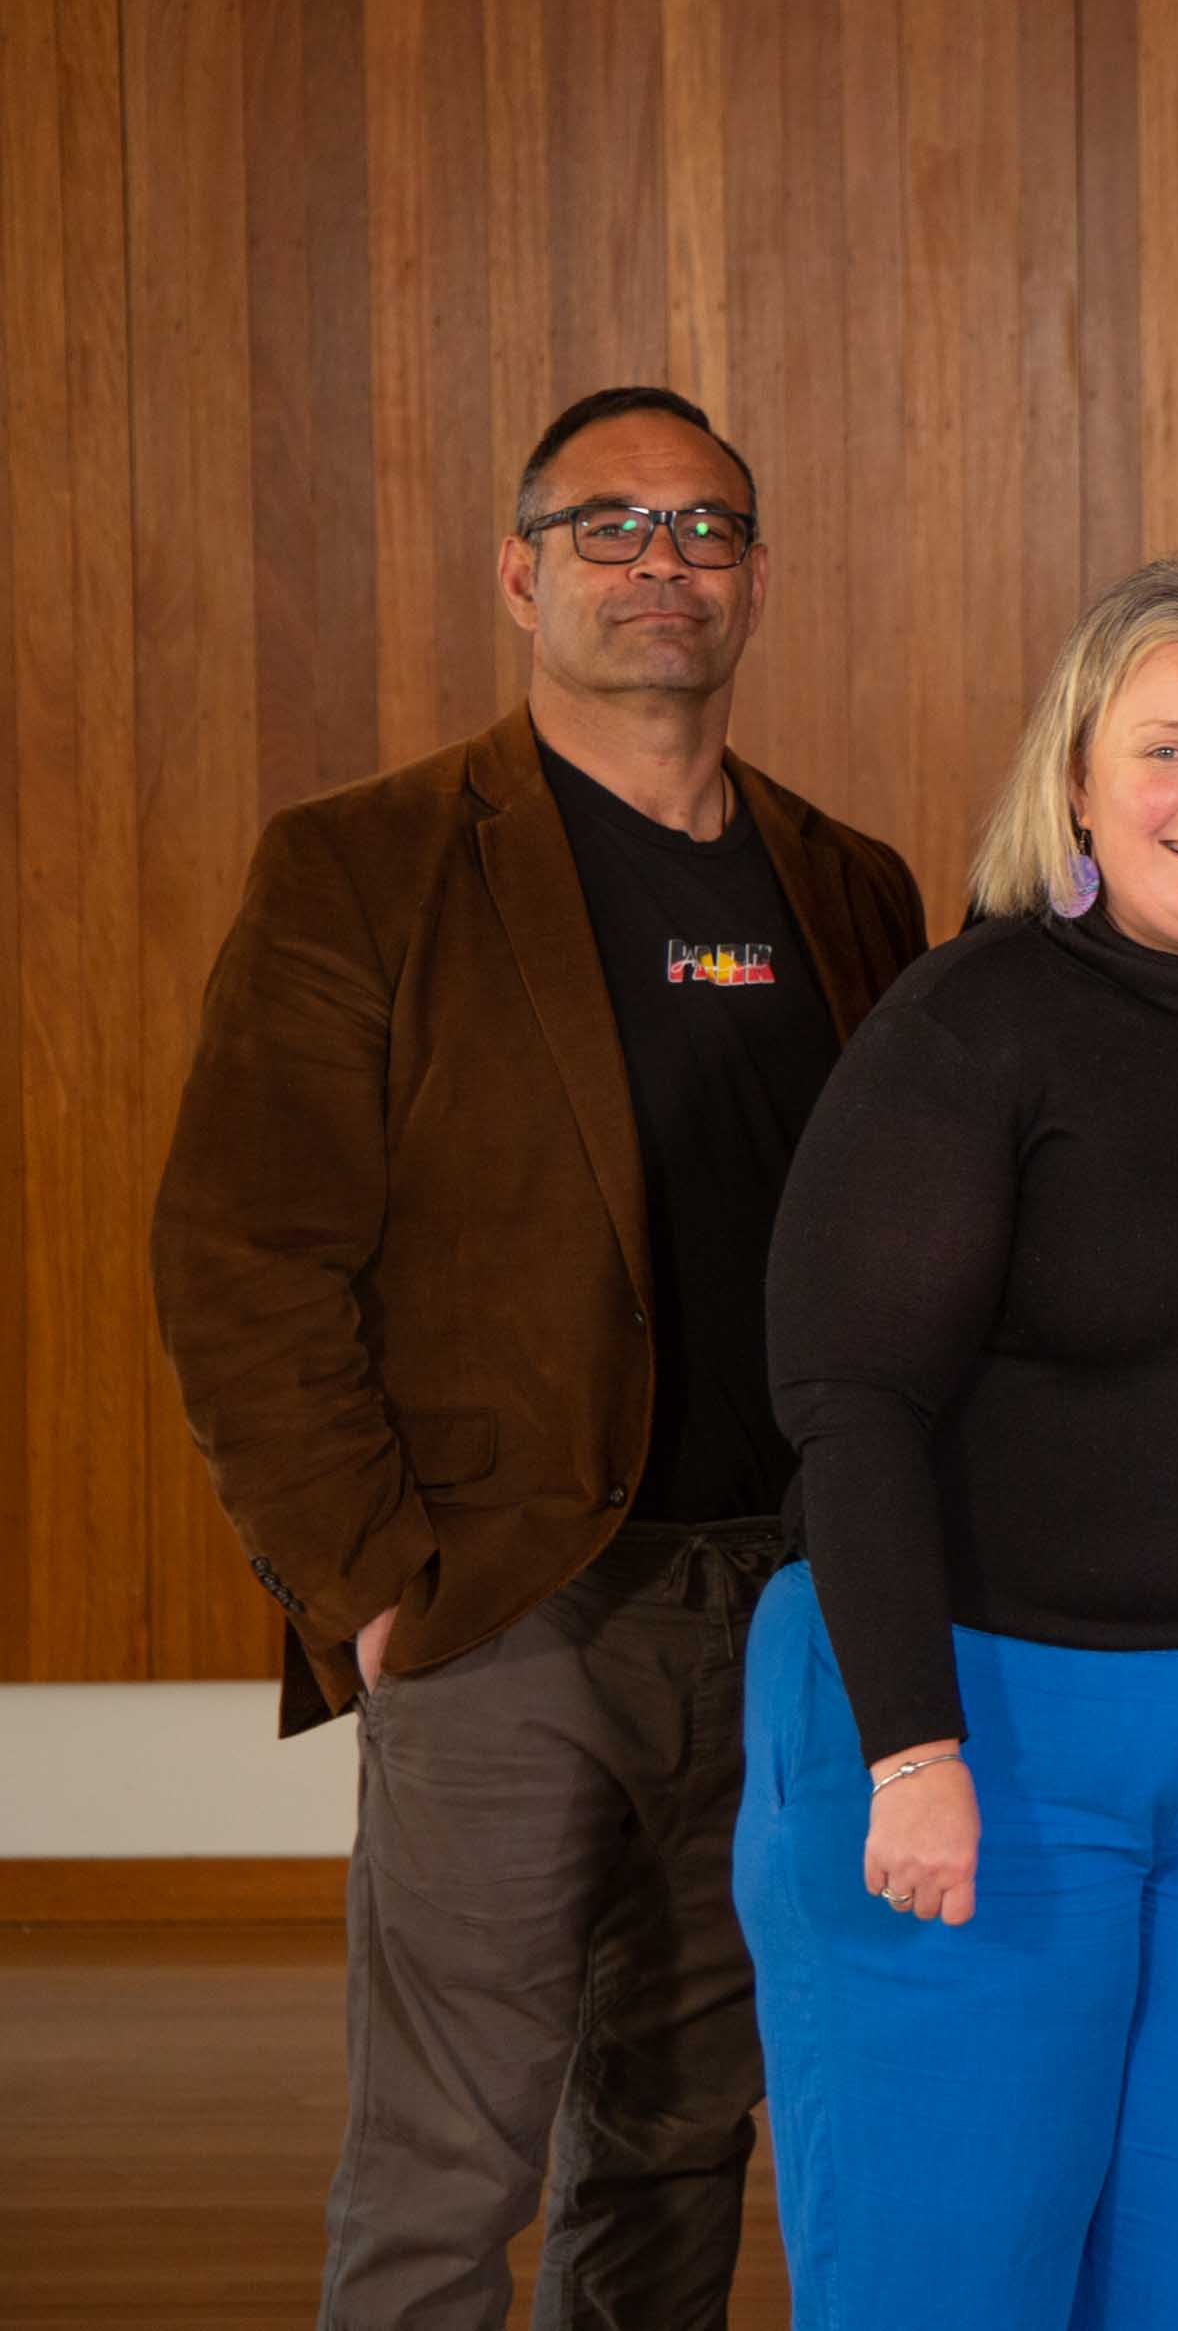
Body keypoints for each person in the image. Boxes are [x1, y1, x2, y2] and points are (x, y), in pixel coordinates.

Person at [147, 384, 926, 2328]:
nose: (662, 562)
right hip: (505, 1599)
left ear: (753, 576)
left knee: (676, 2125)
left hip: (776, 1599)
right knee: (448, 2154)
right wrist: (376, 1587)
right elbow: (242, 1250)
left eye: (705, 527)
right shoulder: (368, 865)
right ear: (519, 569)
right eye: (610, 524)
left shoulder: (847, 884)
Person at [736, 556, 1178, 2327]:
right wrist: (909, 1746)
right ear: (1082, 778)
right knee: (946, 2283)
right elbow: (851, 1401)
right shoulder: (974, 1018)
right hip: (972, 1718)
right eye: (1168, 746)